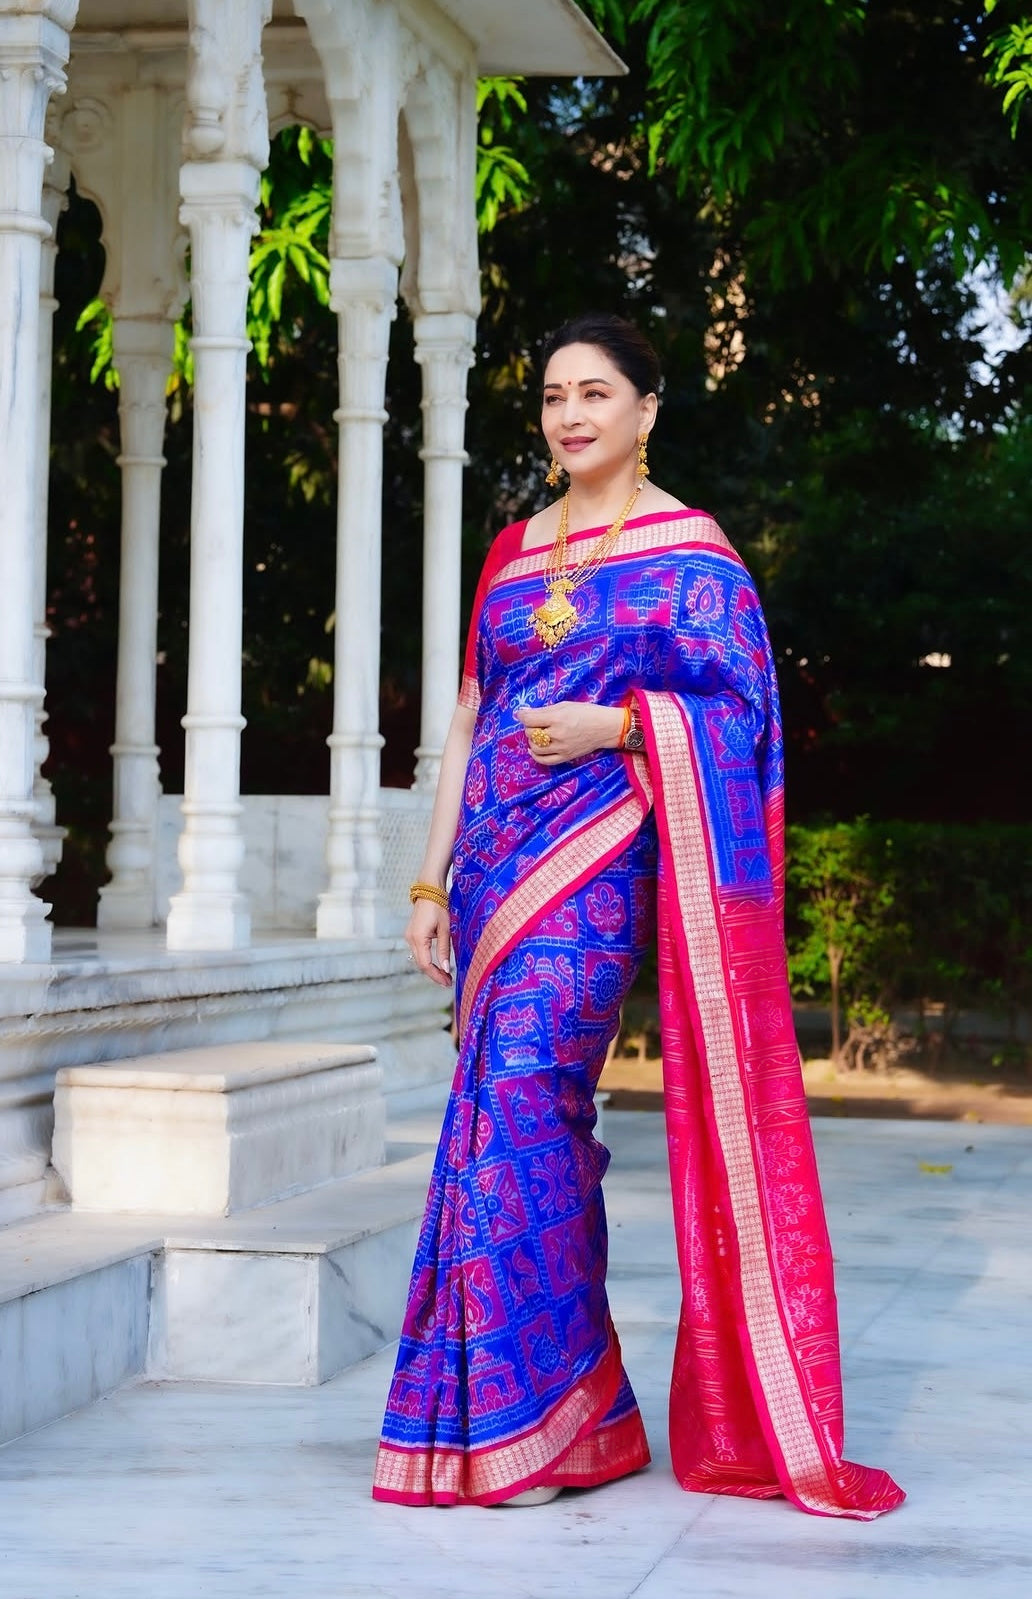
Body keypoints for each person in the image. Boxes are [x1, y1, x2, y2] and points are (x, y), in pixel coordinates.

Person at [372, 313, 904, 1518]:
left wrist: (619, 728)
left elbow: (744, 724)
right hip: (494, 874)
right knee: (511, 1120)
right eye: (554, 396)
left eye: (595, 393)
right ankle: (570, 1414)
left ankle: (528, 1425)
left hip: (596, 868)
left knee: (522, 1098)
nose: (570, 415)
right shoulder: (512, 552)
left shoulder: (693, 557)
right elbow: (468, 721)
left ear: (647, 408)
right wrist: (429, 880)